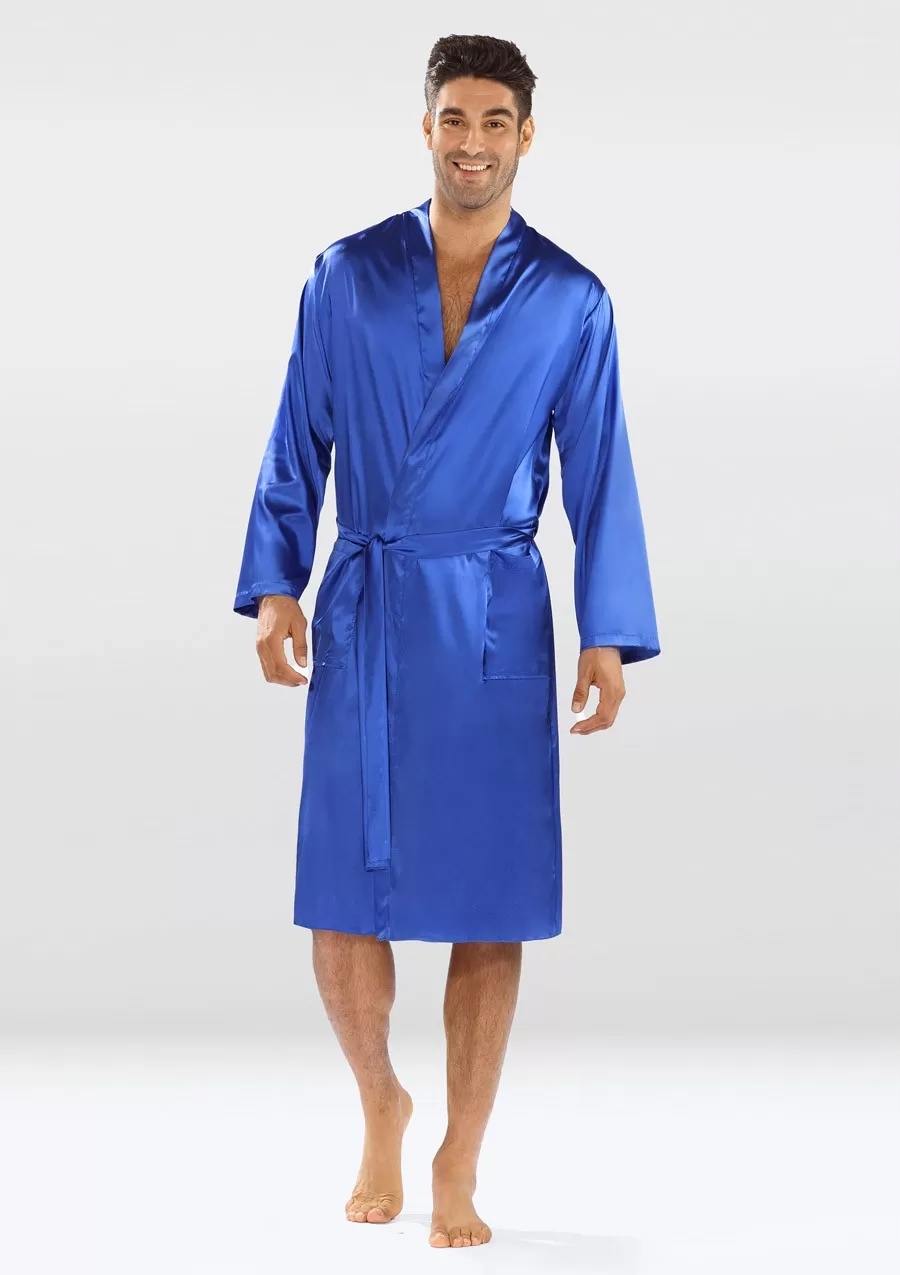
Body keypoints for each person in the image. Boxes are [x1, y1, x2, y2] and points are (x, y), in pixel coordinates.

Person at [233, 33, 660, 1250]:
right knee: (342, 896)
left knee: (491, 898)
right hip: (367, 605)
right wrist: (275, 585)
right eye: (454, 118)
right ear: (426, 127)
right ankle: (382, 1100)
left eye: (495, 121)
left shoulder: (572, 298)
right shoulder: (347, 274)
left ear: (527, 135)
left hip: (493, 616)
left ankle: (460, 1155)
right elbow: (297, 433)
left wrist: (608, 633)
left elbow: (601, 471)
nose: (473, 142)